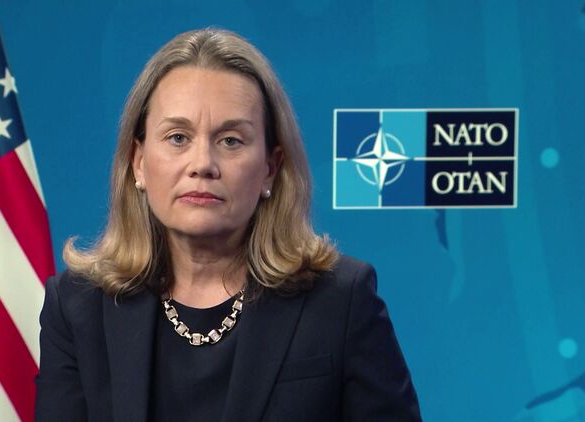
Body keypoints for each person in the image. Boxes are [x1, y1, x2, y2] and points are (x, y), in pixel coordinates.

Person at [35, 28, 421, 421]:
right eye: (178, 137)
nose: (203, 164)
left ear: (270, 168)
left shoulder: (341, 300)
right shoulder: (78, 307)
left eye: (231, 141)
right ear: (138, 163)